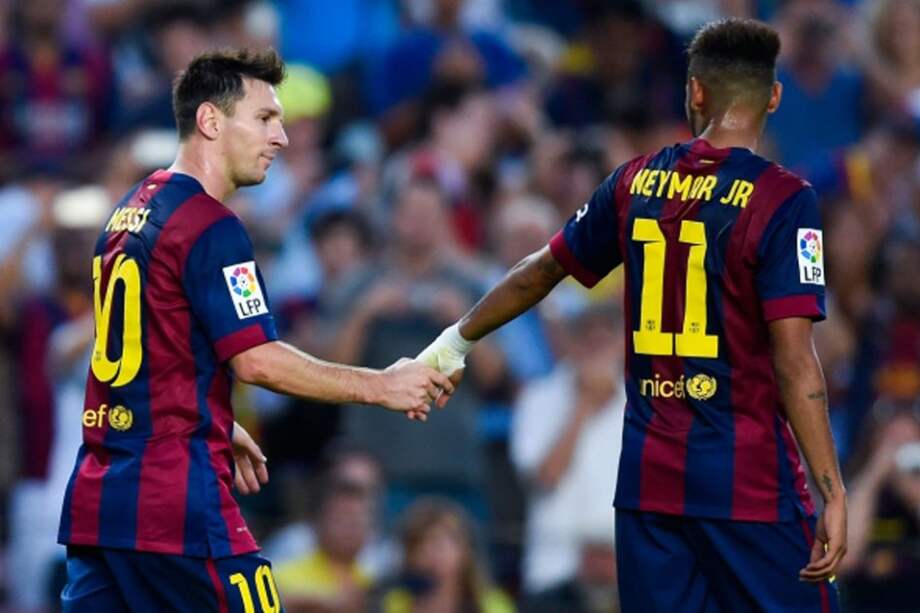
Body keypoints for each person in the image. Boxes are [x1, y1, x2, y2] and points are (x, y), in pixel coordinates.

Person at [419, 18, 847, 611]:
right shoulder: (784, 198)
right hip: (749, 484)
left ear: (694, 91)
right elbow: (795, 361)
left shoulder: (635, 181)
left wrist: (452, 343)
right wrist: (833, 490)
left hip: (650, 487)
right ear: (773, 97)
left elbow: (541, 270)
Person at [57, 48, 455, 613]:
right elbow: (257, 361)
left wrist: (211, 416)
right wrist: (383, 386)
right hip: (174, 504)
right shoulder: (211, 225)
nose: (282, 137)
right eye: (266, 118)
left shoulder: (131, 209)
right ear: (211, 121)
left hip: (100, 502)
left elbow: (148, 349)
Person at [378, 497, 515, 613]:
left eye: (440, 545)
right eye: (421, 545)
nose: (431, 554)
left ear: (464, 551)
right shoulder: (395, 603)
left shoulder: (491, 605)